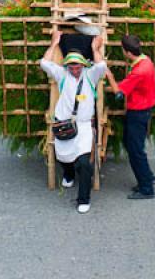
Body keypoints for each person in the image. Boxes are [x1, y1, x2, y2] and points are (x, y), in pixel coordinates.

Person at [40, 32, 106, 214]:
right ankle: (68, 174)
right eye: (71, 66)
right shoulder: (62, 75)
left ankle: (83, 199)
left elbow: (101, 65)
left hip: (83, 126)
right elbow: (44, 63)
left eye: (77, 66)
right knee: (63, 156)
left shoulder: (90, 75)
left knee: (84, 164)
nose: (74, 69)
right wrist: (54, 43)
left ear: (83, 65)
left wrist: (95, 48)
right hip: (64, 124)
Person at [106, 35, 155, 200]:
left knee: (136, 151)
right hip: (144, 110)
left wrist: (109, 75)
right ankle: (147, 177)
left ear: (127, 52)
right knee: (131, 144)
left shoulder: (139, 71)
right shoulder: (146, 61)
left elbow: (119, 93)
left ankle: (146, 188)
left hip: (138, 113)